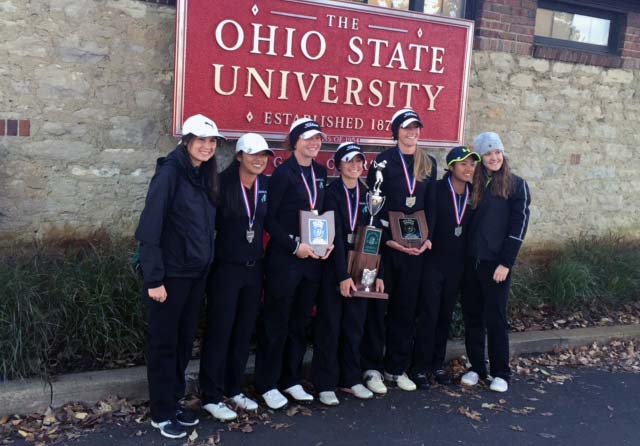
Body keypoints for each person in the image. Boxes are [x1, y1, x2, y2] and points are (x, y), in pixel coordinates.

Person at [134, 114, 223, 439]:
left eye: (212, 141)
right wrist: (154, 280)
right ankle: (160, 412)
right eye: (201, 140)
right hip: (169, 278)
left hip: (193, 276)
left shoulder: (202, 175)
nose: (207, 146)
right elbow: (149, 230)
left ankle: (171, 402)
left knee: (183, 344)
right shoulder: (170, 174)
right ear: (186, 141)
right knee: (164, 345)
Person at [254, 118, 333, 409]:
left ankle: (291, 379)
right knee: (277, 322)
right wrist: (294, 245)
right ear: (295, 141)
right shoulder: (282, 174)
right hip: (285, 260)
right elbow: (269, 220)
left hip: (312, 261)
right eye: (309, 138)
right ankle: (267, 383)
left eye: (318, 139)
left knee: (300, 323)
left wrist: (329, 242)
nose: (315, 143)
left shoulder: (321, 173)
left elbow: (321, 213)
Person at [198, 133, 273, 421]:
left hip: (254, 269)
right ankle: (211, 395)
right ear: (239, 156)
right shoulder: (221, 183)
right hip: (226, 269)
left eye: (263, 155)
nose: (259, 160)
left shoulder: (264, 185)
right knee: (220, 331)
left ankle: (233, 388)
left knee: (243, 331)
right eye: (253, 154)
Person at [363, 108, 436, 393]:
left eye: (416, 127)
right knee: (378, 307)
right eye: (406, 128)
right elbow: (374, 207)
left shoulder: (428, 162)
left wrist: (428, 239)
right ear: (396, 131)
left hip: (416, 249)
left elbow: (431, 207)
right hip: (388, 248)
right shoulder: (382, 162)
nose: (412, 132)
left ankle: (396, 367)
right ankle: (371, 368)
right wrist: (386, 240)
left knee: (405, 310)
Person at [312, 143, 384, 406]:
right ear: (338, 165)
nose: (355, 166)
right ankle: (325, 383)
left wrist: (377, 273)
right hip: (336, 268)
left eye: (359, 162)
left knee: (355, 326)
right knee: (330, 326)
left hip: (363, 269)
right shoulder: (331, 193)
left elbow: (375, 236)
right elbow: (333, 236)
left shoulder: (370, 195)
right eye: (349, 161)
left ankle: (350, 378)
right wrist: (342, 274)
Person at [460, 132, 531, 393]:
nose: (494, 157)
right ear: (480, 157)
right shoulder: (473, 184)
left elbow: (518, 227)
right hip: (472, 263)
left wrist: (506, 263)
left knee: (496, 318)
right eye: (488, 153)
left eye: (497, 152)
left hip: (497, 265)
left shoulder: (516, 185)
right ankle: (477, 367)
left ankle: (501, 371)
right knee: (473, 317)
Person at [410, 146, 480, 388]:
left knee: (444, 316)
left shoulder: (474, 194)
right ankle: (418, 368)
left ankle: (436, 365)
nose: (468, 168)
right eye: (463, 164)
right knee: (428, 315)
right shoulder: (438, 190)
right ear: (451, 167)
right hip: (433, 262)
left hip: (457, 266)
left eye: (472, 164)